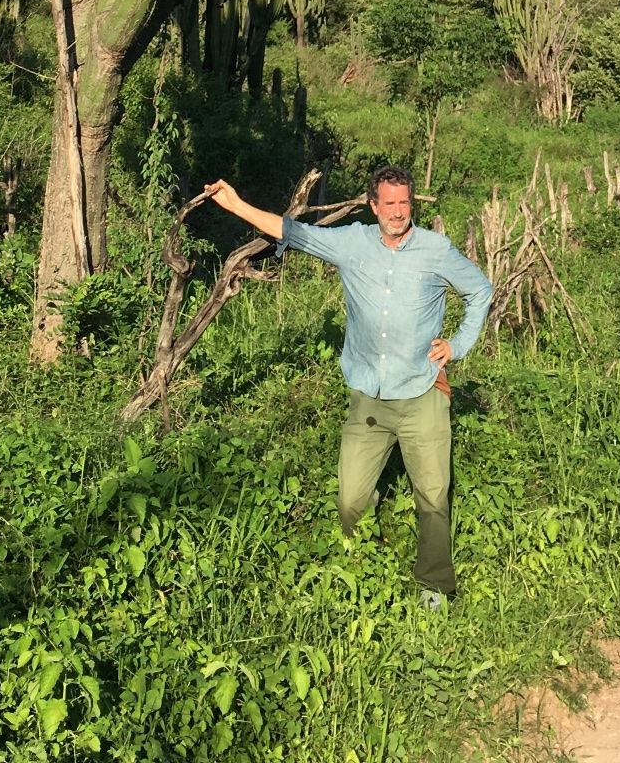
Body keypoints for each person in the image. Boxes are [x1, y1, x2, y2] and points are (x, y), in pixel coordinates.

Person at [207, 164, 493, 606]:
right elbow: (293, 231)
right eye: (389, 203)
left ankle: (435, 585)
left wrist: (457, 345)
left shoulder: (436, 250)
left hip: (421, 393)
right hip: (370, 400)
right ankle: (364, 565)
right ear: (373, 205)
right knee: (350, 500)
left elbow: (480, 291)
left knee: (433, 496)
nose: (397, 212)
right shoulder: (352, 243)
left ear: (411, 204)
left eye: (404, 203)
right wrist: (235, 204)